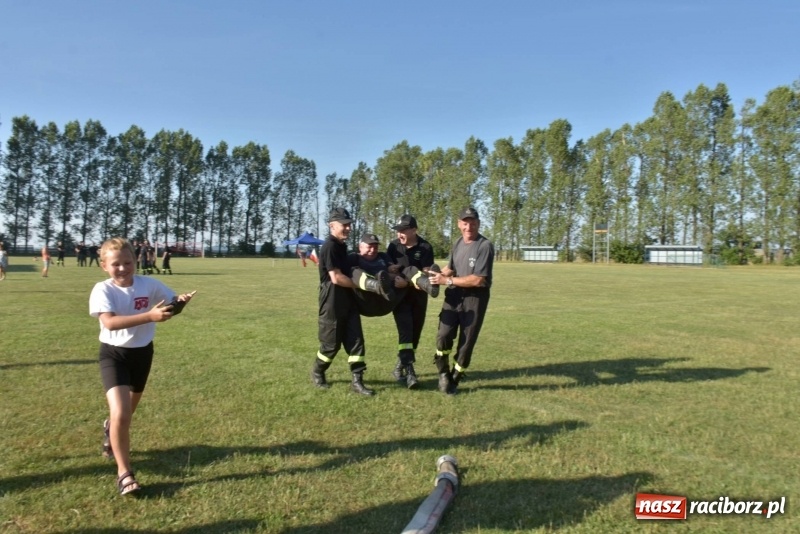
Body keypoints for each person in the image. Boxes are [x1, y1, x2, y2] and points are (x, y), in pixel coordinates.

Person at [89, 237, 196, 495]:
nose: (123, 268)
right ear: (104, 265)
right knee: (122, 414)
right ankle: (124, 474)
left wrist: (179, 303)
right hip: (113, 356)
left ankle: (109, 427)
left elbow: (168, 308)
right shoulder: (102, 290)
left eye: (128, 262)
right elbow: (110, 323)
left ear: (136, 260)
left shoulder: (149, 284)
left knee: (126, 414)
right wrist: (150, 316)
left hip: (142, 354)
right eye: (116, 264)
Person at [350, 231, 439, 389]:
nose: (373, 250)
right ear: (360, 247)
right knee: (355, 272)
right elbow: (345, 273)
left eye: (375, 247)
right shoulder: (353, 257)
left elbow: (392, 269)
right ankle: (376, 285)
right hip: (367, 302)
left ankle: (429, 284)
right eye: (369, 247)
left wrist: (397, 274)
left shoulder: (384, 257)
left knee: (408, 269)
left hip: (388, 300)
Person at [310, 207, 382, 396]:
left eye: (349, 225)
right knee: (330, 345)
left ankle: (357, 382)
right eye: (344, 225)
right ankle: (318, 372)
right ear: (332, 226)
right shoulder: (330, 246)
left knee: (356, 341)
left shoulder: (342, 247)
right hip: (331, 302)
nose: (348, 228)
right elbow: (336, 278)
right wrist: (362, 286)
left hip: (349, 302)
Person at [428, 207, 495, 395]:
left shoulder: (484, 246)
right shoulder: (457, 243)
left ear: (478, 224)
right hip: (454, 296)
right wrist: (436, 276)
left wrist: (446, 281)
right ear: (459, 224)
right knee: (443, 335)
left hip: (475, 299)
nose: (469, 227)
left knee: (466, 343)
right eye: (465, 223)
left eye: (473, 223)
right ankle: (443, 372)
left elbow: (478, 279)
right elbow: (451, 268)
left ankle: (455, 378)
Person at [386, 214, 439, 387]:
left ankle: (399, 366)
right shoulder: (393, 247)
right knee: (406, 332)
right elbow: (388, 270)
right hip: (399, 299)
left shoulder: (425, 247)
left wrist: (407, 282)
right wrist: (393, 276)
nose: (399, 234)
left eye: (403, 230)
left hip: (418, 297)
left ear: (414, 230)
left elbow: (425, 277)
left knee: (415, 335)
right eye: (397, 230)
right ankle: (410, 374)